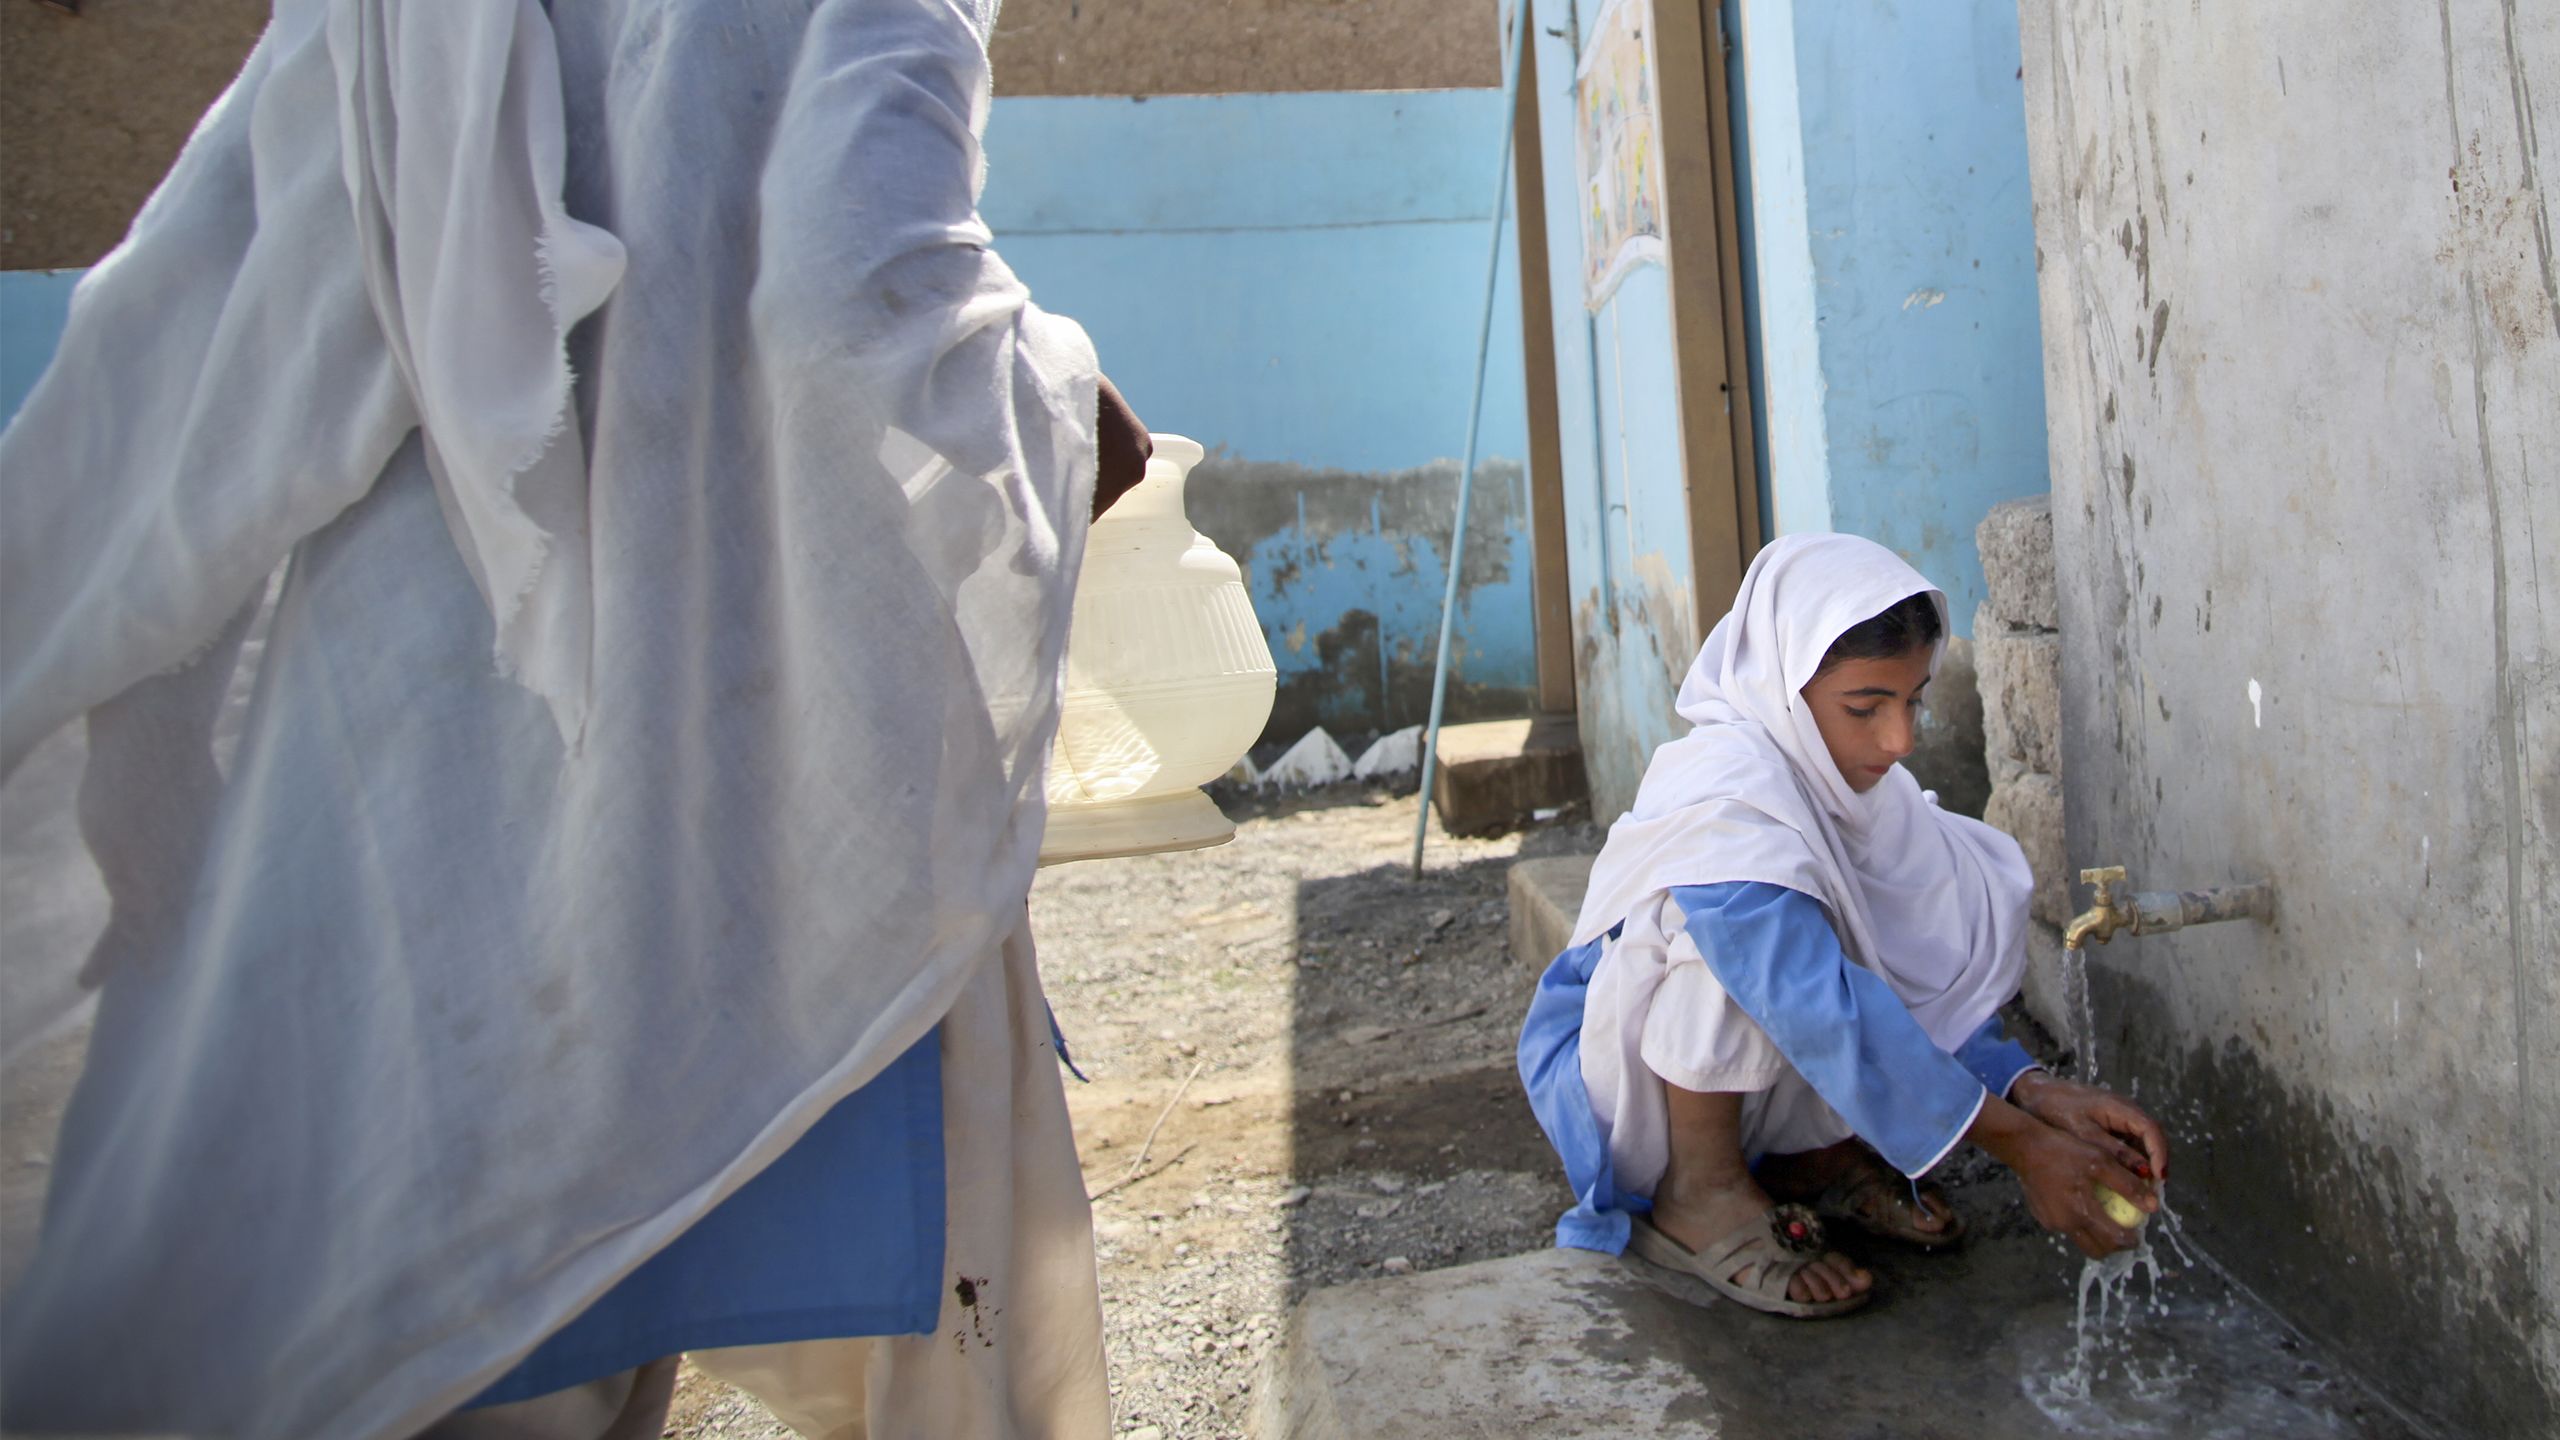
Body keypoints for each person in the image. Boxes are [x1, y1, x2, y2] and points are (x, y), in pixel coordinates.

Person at [0, 1, 1143, 1435]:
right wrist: (1061, 407)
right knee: (731, 1257)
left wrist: (131, 778)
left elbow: (179, 356)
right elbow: (853, 300)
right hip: (730, 738)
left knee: (454, 1330)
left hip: (403, 753)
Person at [1517, 533, 2170, 1317]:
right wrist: (2023, 1149)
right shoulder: (1724, 794)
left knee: (1893, 902)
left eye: (1914, 700)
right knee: (1733, 939)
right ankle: (1702, 1190)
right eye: (1866, 708)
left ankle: (1805, 1160)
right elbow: (1810, 1003)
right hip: (1625, 1086)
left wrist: (2029, 1090)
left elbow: (1906, 963)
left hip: (1760, 1068)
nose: (1899, 742)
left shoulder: (1856, 790)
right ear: (1784, 687)